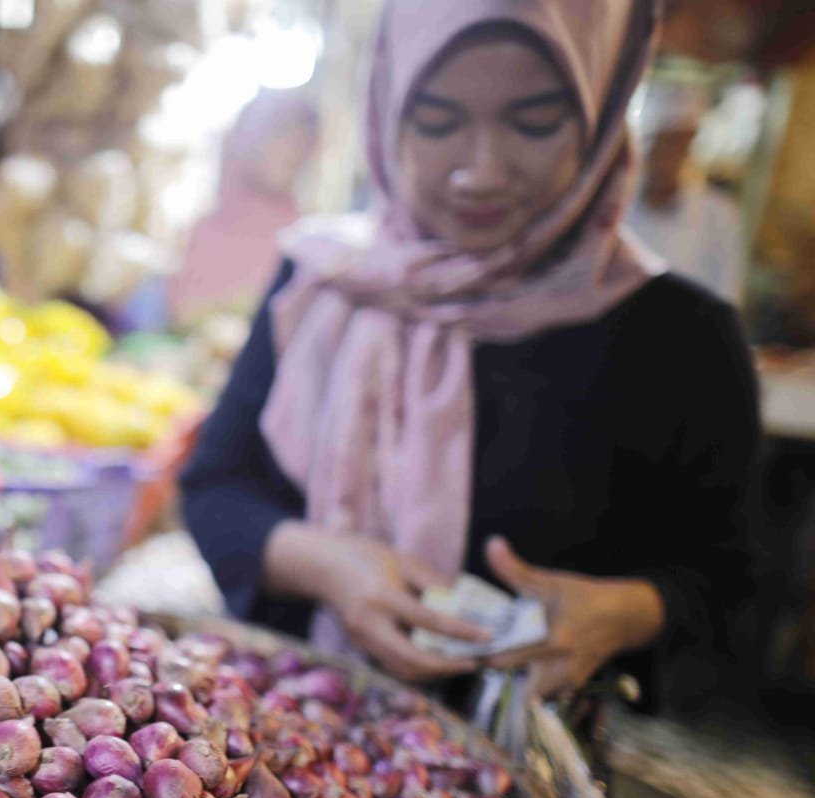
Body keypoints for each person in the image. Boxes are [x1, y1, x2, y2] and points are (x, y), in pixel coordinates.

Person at [180, 0, 760, 708]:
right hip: (278, 745)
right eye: (438, 120)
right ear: (388, 107)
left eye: (535, 121)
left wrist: (625, 612)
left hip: (515, 770)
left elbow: (728, 583)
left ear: (604, 108)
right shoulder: (321, 283)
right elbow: (215, 487)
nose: (481, 173)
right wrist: (325, 565)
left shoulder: (679, 339)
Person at [168, 90, 320, 326]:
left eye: (304, 139)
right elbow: (179, 315)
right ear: (248, 138)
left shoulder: (308, 243)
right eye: (281, 133)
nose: (294, 149)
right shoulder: (201, 231)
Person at [625, 77, 747, 306]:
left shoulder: (719, 216)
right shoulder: (614, 207)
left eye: (677, 144)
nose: (667, 157)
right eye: (660, 143)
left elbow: (727, 301)